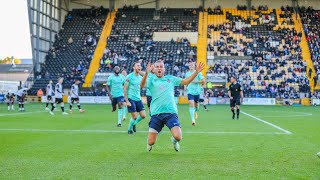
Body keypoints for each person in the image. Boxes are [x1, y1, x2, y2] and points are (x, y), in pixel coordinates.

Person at [141, 61, 205, 152]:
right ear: (154, 69)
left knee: (178, 136)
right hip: (156, 114)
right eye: (157, 67)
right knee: (151, 142)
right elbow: (142, 85)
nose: (159, 68)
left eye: (161, 67)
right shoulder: (151, 80)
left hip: (170, 113)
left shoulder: (170, 79)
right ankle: (149, 142)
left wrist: (196, 72)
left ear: (164, 69)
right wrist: (146, 73)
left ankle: (174, 141)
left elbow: (185, 81)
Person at [124, 62, 146, 134]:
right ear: (134, 67)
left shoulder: (140, 78)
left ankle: (133, 124)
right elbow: (125, 89)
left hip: (138, 99)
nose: (139, 67)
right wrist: (127, 101)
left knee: (143, 115)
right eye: (138, 65)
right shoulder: (129, 77)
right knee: (135, 117)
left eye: (140, 66)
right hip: (131, 98)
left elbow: (141, 87)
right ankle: (129, 129)